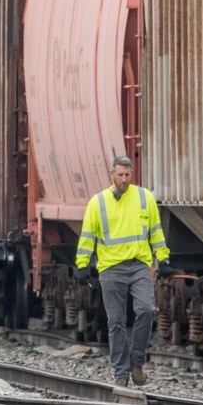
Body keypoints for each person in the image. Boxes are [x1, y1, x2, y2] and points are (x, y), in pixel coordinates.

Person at [75, 155, 167, 386]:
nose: (124, 179)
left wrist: (163, 258)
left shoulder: (144, 197)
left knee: (146, 310)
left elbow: (156, 231)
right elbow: (87, 237)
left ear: (131, 173)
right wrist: (82, 265)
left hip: (139, 265)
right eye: (120, 175)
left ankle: (136, 362)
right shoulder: (98, 203)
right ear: (112, 174)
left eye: (127, 174)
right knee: (116, 321)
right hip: (111, 268)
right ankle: (121, 374)